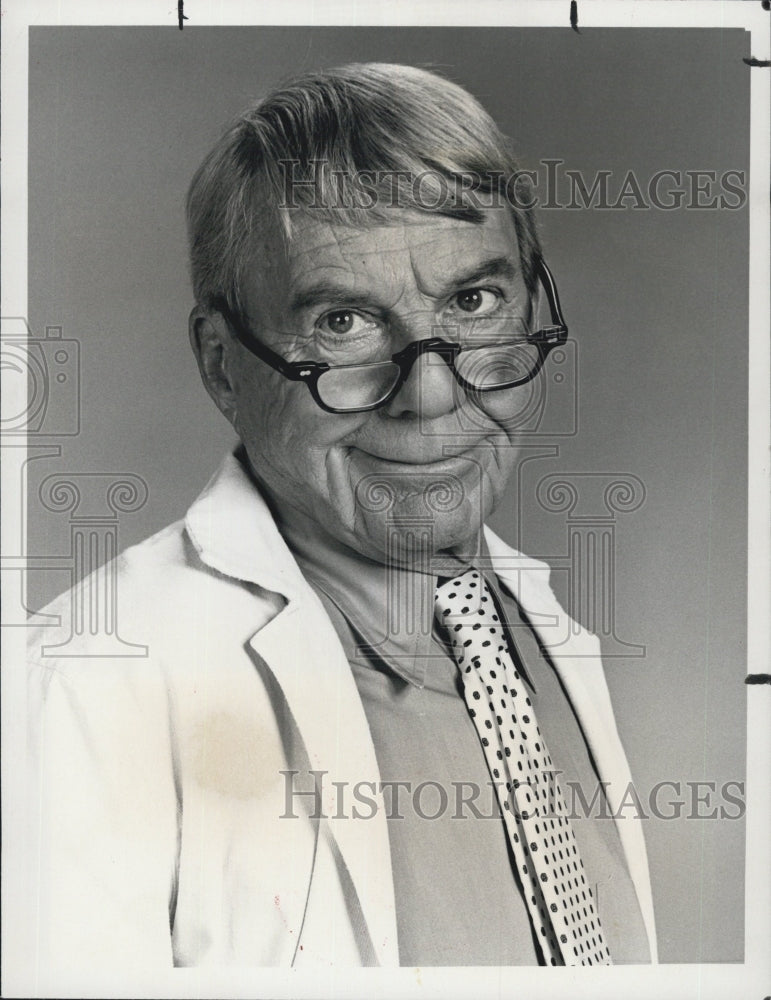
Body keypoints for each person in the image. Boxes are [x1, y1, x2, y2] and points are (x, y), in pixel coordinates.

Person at [26, 62, 657, 970]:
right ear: (220, 363)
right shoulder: (85, 684)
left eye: (473, 302)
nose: (430, 395)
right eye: (343, 325)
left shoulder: (540, 635)